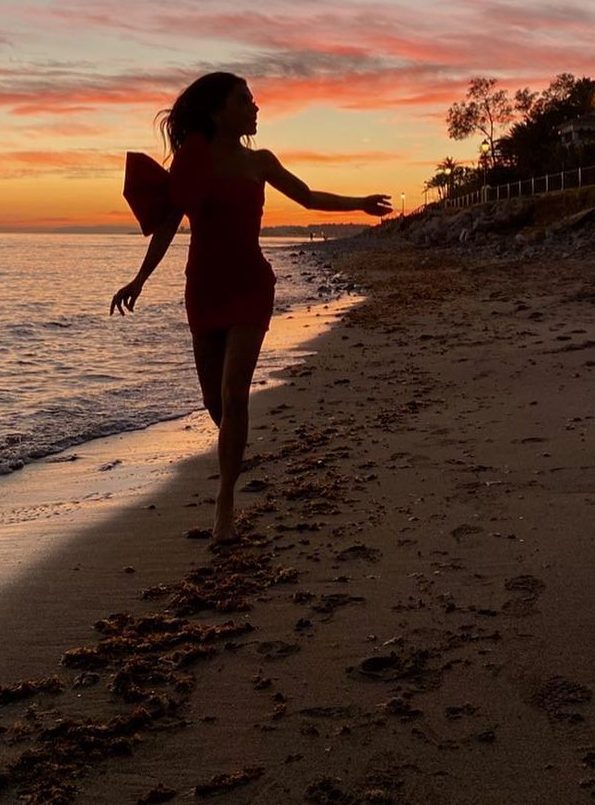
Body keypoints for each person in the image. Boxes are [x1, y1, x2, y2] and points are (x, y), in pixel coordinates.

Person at [110, 72, 391, 542]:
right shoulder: (192, 160)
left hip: (250, 286)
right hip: (203, 289)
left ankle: (224, 503)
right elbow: (167, 224)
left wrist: (359, 202)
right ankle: (233, 445)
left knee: (235, 393)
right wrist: (140, 278)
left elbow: (308, 196)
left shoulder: (260, 161)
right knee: (215, 403)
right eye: (246, 100)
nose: (256, 107)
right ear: (221, 111)